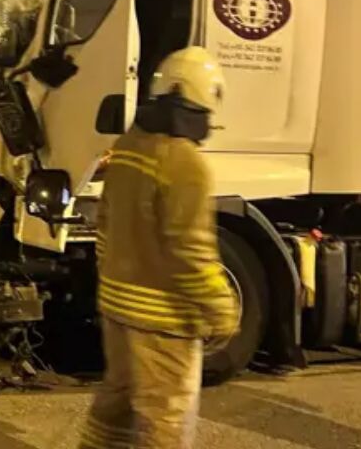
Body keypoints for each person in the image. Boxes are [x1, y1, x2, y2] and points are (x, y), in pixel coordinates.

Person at [79, 46, 240, 449]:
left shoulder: (129, 145)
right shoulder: (185, 163)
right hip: (163, 317)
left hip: (117, 306)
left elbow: (106, 220)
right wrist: (221, 309)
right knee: (165, 416)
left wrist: (111, 275)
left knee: (115, 402)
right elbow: (192, 250)